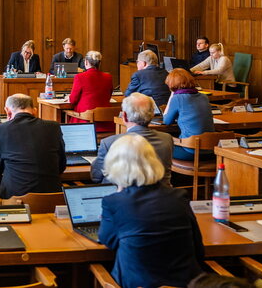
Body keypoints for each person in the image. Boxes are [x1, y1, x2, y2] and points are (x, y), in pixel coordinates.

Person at [98, 133, 204, 288]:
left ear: (115, 165)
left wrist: (121, 190)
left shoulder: (114, 202)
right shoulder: (179, 196)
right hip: (185, 283)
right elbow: (198, 248)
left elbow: (108, 241)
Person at [0, 93, 65, 198]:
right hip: (53, 199)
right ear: (35, 111)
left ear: (7, 111)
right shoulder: (54, 127)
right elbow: (61, 165)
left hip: (15, 201)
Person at [90, 93, 174, 186]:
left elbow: (96, 177)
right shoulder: (167, 139)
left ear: (124, 116)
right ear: (152, 114)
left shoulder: (108, 143)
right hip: (159, 197)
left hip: (120, 197)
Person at [162, 69, 214, 160]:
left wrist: (172, 95)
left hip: (190, 150)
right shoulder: (204, 97)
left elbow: (166, 121)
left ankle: (166, 174)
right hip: (210, 150)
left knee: (157, 146)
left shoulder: (178, 98)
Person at [68, 51, 114, 132]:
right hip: (106, 122)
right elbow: (109, 96)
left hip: (85, 121)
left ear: (86, 62)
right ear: (99, 63)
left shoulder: (79, 77)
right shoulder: (108, 77)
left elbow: (72, 100)